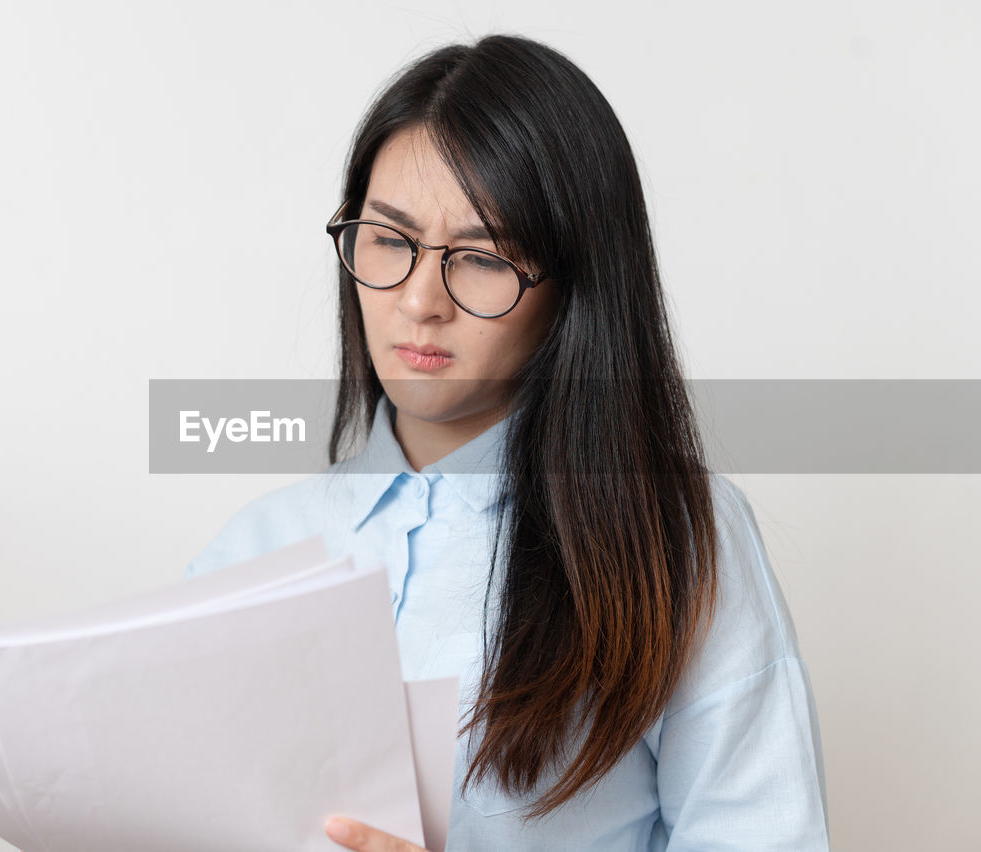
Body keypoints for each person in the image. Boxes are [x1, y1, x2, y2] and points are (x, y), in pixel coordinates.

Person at [185, 33, 829, 851]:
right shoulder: (253, 549)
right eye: (389, 240)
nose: (420, 300)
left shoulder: (675, 539)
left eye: (482, 257)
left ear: (575, 289)